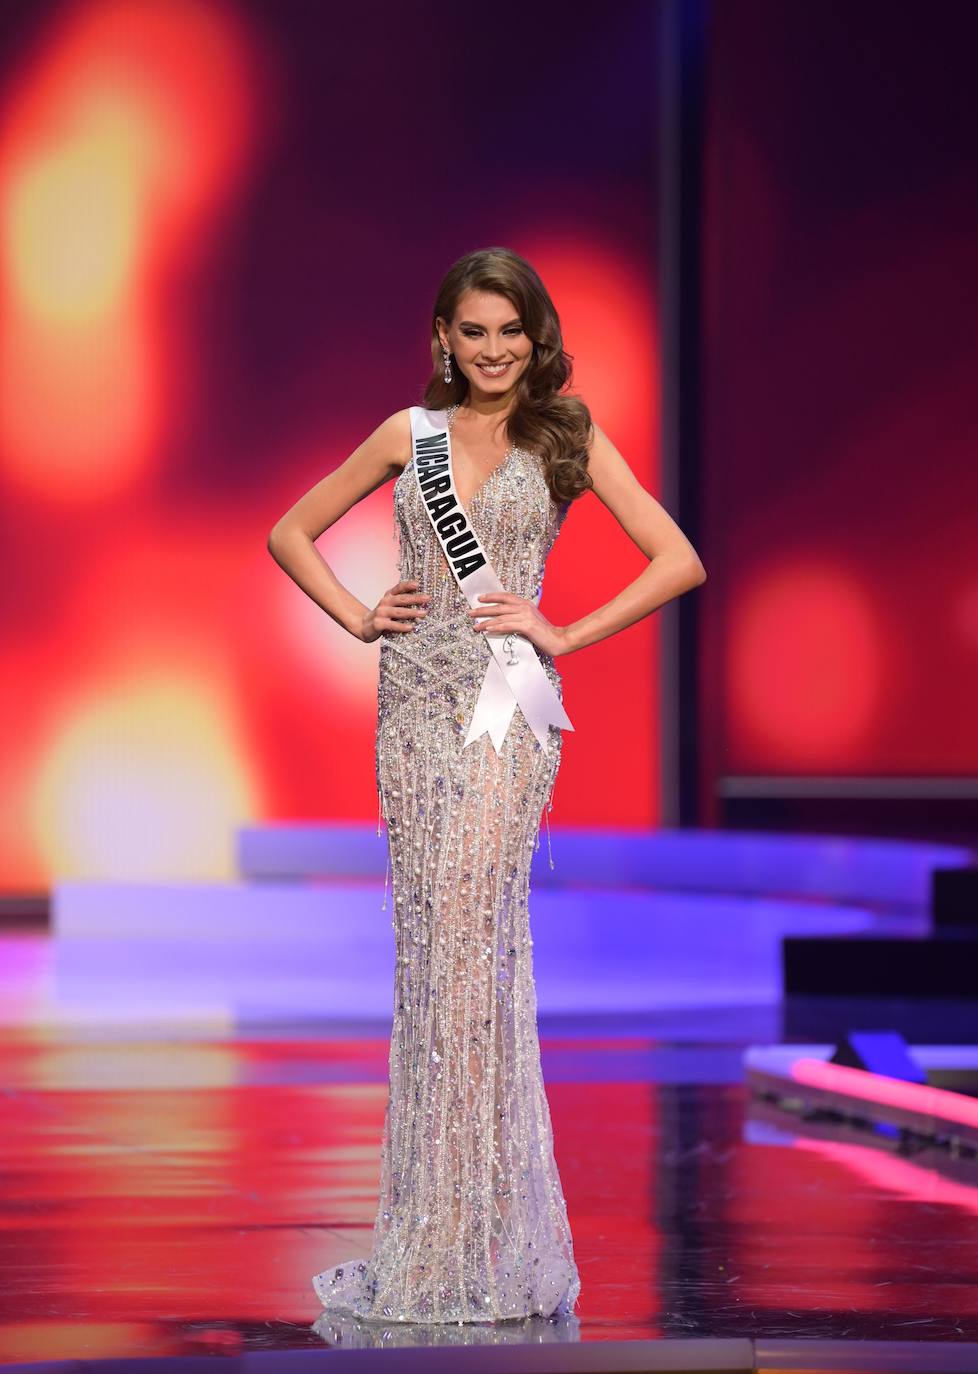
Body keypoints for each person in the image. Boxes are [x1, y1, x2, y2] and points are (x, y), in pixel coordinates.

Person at [267, 246, 706, 1325]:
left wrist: (565, 631)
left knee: (474, 951)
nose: (496, 349)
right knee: (437, 965)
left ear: (535, 336)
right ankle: (434, 1233)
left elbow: (677, 557)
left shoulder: (566, 435)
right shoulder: (404, 438)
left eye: (512, 330)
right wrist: (358, 612)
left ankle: (470, 1236)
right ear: (444, 341)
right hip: (413, 713)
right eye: (475, 331)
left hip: (507, 713)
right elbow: (290, 532)